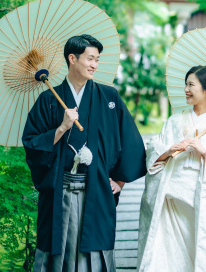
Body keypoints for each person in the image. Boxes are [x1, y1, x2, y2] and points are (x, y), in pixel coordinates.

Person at [22, 34, 147, 272]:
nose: (94, 65)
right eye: (90, 59)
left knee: (95, 251)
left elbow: (130, 140)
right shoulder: (48, 99)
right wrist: (61, 128)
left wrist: (120, 180)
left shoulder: (108, 97)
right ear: (72, 58)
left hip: (98, 189)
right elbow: (31, 143)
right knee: (59, 249)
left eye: (97, 60)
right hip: (60, 190)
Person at [137, 65, 206, 272]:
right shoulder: (175, 121)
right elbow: (153, 148)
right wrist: (168, 151)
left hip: (200, 201)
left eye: (191, 85)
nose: (186, 89)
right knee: (166, 253)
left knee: (199, 252)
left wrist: (205, 152)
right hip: (169, 200)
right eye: (186, 84)